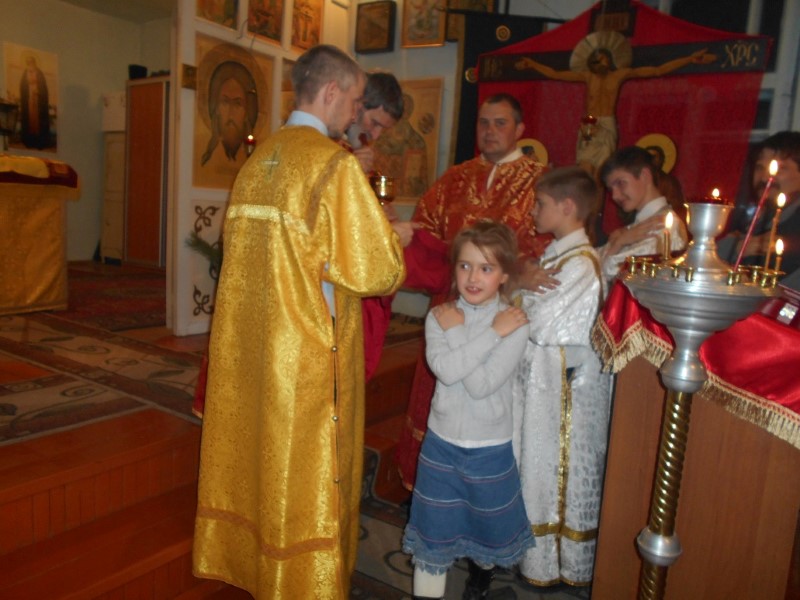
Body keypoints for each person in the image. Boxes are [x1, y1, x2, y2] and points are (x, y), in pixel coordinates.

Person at [192, 45, 406, 599]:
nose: (355, 113)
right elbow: (379, 270)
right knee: (308, 476)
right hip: (310, 356)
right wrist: (392, 236)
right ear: (331, 92)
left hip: (256, 349)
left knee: (262, 461)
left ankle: (258, 568)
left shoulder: (257, 161)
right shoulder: (333, 165)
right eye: (354, 100)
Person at [394, 92, 551, 491]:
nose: (490, 131)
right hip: (450, 305)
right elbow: (427, 233)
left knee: (486, 400)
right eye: (483, 123)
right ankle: (433, 482)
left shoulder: (538, 181)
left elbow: (545, 247)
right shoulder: (455, 178)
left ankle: (479, 486)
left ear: (520, 129)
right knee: (441, 395)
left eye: (500, 123)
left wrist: (516, 275)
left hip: (504, 311)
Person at [402, 221, 535, 600]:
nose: (473, 278)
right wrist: (483, 333)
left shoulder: (514, 323)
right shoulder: (440, 316)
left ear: (504, 275)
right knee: (432, 537)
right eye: (465, 266)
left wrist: (478, 332)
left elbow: (481, 386)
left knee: (487, 529)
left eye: (486, 268)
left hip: (489, 447)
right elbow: (446, 371)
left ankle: (479, 581)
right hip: (441, 446)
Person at [511, 166, 612, 587]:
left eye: (541, 204)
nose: (533, 211)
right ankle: (530, 557)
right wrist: (520, 289)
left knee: (554, 477)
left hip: (563, 396)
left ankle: (556, 564)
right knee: (535, 470)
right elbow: (523, 301)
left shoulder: (580, 266)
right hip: (542, 385)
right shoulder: (557, 256)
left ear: (568, 207)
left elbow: (540, 323)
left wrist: (517, 294)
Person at [515, 31, 715, 174]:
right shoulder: (587, 76)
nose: (599, 62)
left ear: (610, 59)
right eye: (596, 60)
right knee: (585, 170)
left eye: (602, 59)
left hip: (607, 123)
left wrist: (689, 59)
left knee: (601, 172)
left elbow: (657, 70)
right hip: (589, 124)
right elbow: (555, 74)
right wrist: (532, 64)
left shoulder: (619, 75)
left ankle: (594, 216)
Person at [719, 131, 800, 288]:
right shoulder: (764, 219)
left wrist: (735, 248)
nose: (764, 178)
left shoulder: (794, 226)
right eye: (759, 167)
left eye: (780, 168)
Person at [598, 145, 688, 285]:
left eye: (620, 183)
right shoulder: (638, 225)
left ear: (644, 176)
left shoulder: (665, 225)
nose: (615, 196)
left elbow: (614, 273)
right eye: (611, 189)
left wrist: (618, 243)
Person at [343, 71, 405, 175]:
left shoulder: (353, 143)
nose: (375, 136)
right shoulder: (330, 135)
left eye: (383, 129)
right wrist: (351, 170)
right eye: (375, 123)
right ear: (359, 105)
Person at [200, 61, 258, 168]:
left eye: (237, 103)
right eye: (225, 102)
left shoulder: (255, 160)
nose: (231, 111)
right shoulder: (204, 153)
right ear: (216, 109)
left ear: (246, 112)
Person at [19, 54, 50, 149]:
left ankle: (39, 141)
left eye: (31, 61)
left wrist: (39, 91)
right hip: (28, 99)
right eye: (28, 62)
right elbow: (22, 86)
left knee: (38, 119)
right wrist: (27, 91)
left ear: (34, 62)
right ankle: (29, 140)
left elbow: (43, 87)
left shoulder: (39, 73)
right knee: (29, 119)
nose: (30, 63)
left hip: (38, 100)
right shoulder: (25, 72)